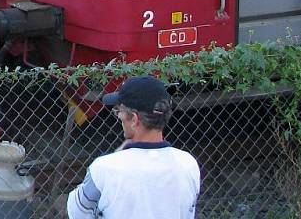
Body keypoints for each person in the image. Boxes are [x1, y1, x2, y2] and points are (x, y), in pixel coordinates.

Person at [67, 75, 201, 219]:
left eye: (120, 110)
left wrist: (116, 155)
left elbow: (77, 212)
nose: (118, 116)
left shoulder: (104, 168)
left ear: (134, 119)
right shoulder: (188, 164)